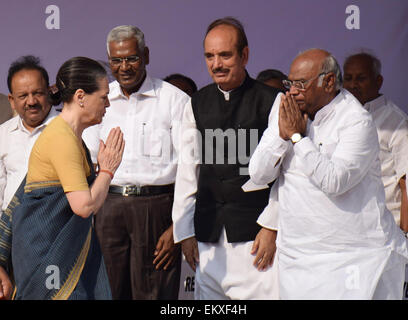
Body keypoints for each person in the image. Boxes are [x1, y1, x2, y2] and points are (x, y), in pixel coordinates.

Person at [248, 48, 408, 299]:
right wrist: (281, 136)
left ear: (329, 82)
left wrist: (297, 139)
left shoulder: (357, 121)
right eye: (289, 83)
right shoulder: (286, 108)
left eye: (300, 84)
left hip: (355, 258)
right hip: (298, 259)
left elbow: (335, 182)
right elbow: (258, 174)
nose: (292, 91)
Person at [172, 17, 280, 300]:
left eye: (225, 55)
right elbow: (187, 170)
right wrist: (184, 231)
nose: (216, 64)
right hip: (208, 236)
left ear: (245, 55)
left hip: (256, 239)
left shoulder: (272, 100)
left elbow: (288, 175)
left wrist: (272, 226)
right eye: (209, 56)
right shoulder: (196, 102)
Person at [1, 56, 125, 299]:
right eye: (103, 96)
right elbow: (84, 206)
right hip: (48, 256)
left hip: (60, 252)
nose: (108, 104)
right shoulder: (61, 138)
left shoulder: (68, 135)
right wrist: (108, 171)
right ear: (80, 96)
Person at [83, 25, 190, 300]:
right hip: (108, 208)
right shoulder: (99, 100)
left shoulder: (174, 100)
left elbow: (191, 169)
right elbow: (88, 161)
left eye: (131, 58)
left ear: (146, 55)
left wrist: (177, 227)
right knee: (106, 292)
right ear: (109, 61)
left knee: (154, 295)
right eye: (116, 60)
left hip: (156, 210)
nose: (124, 67)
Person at [0, 56, 61, 299]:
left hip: (56, 241)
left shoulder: (68, 132)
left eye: (38, 93)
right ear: (11, 101)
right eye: (23, 96)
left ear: (50, 92)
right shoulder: (3, 135)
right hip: (12, 242)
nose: (32, 102)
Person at [343, 52, 408, 231]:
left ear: (378, 81)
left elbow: (406, 183)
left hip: (387, 228)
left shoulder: (396, 122)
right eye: (348, 78)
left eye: (361, 78)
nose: (353, 85)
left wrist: (405, 235)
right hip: (350, 227)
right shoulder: (339, 116)